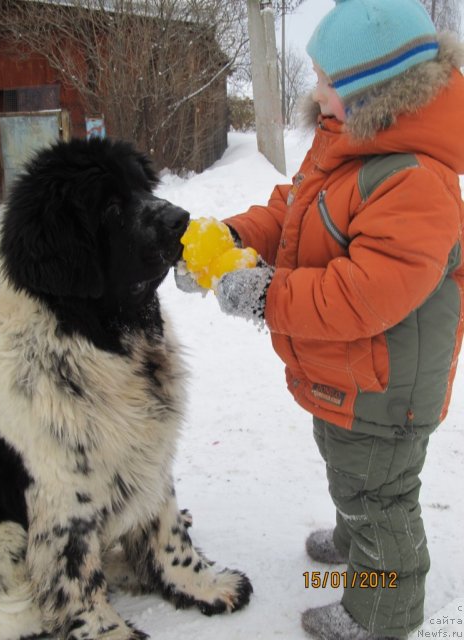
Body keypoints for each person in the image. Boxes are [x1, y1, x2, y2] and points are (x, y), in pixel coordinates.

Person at [176, 0, 464, 638]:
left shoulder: (415, 181)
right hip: (352, 377)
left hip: (386, 388)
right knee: (350, 468)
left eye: (329, 81)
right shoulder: (350, 144)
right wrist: (231, 236)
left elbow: (366, 295)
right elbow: (293, 210)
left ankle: (382, 614)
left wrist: (265, 295)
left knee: (380, 497)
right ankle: (353, 533)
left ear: (376, 90)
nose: (318, 93)